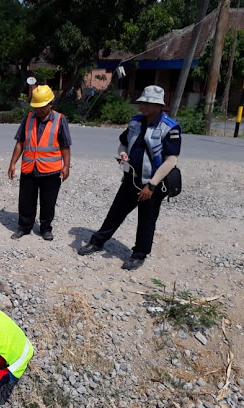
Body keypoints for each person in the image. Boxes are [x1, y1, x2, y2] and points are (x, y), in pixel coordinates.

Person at [77, 85, 181, 270]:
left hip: (152, 183)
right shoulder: (135, 122)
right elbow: (123, 144)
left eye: (148, 103)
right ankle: (98, 241)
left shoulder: (170, 128)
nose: (143, 106)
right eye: (142, 102)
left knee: (147, 220)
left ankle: (139, 254)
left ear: (159, 106)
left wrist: (152, 185)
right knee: (115, 213)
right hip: (131, 179)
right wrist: (123, 154)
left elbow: (171, 160)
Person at [8, 85, 71, 241]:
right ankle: (24, 227)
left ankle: (45, 228)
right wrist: (12, 163)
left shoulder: (59, 120)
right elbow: (20, 143)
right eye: (36, 107)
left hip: (51, 170)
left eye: (41, 107)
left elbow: (65, 146)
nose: (38, 110)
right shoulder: (28, 119)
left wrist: (66, 166)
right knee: (25, 201)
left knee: (48, 202)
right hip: (29, 169)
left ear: (50, 104)